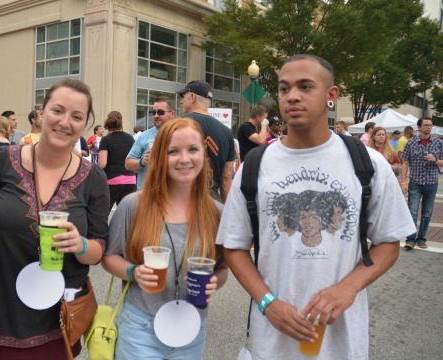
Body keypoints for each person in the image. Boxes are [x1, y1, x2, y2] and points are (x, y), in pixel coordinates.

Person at [218, 54, 414, 360]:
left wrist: (348, 287)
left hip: (342, 342)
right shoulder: (256, 166)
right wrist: (267, 302)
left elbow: (389, 242)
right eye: (284, 89)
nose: (292, 96)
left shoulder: (368, 164)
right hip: (272, 342)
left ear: (331, 95)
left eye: (305, 86)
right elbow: (234, 246)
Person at [0, 78, 108, 359]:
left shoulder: (93, 178)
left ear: (85, 124)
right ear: (41, 113)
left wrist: (80, 244)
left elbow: (98, 250)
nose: (65, 122)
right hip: (2, 321)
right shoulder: (2, 160)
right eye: (57, 110)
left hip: (60, 321)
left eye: (77, 116)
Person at [103, 118, 228, 359]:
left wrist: (215, 282)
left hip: (191, 328)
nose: (184, 159)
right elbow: (109, 257)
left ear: (204, 154)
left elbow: (221, 268)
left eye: (193, 149)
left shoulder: (217, 213)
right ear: (160, 157)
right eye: (173, 151)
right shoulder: (133, 205)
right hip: (139, 327)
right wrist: (133, 272)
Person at [178, 80, 237, 202]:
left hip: (181, 199)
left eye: (183, 97)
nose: (181, 101)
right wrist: (225, 212)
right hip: (212, 201)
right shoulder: (226, 132)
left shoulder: (176, 124)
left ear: (192, 97)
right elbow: (226, 178)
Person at [400, 117, 443, 250]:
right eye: (425, 125)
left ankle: (421, 238)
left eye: (430, 125)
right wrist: (403, 182)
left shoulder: (438, 143)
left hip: (431, 183)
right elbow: (405, 163)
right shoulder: (411, 143)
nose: (428, 127)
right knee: (412, 212)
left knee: (427, 212)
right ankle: (411, 239)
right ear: (419, 127)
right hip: (415, 183)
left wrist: (434, 159)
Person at [125, 96, 175, 189]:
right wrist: (142, 162)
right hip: (146, 195)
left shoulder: (181, 135)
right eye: (154, 112)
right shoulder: (144, 136)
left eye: (160, 112)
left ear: (172, 114)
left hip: (172, 194)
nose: (156, 115)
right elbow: (128, 164)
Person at [97, 111, 136, 211]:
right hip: (130, 179)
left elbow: (102, 164)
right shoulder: (130, 138)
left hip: (113, 180)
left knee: (103, 213)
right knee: (128, 215)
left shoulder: (106, 140)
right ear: (121, 122)